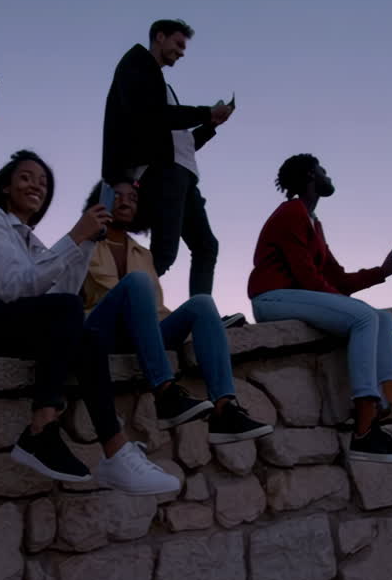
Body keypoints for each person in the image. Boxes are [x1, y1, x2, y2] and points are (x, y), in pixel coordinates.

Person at [0, 151, 179, 495]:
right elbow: (15, 288)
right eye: (26, 177)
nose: (36, 186)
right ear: (6, 187)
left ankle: (116, 452)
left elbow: (61, 297)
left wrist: (84, 245)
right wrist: (73, 237)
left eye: (43, 183)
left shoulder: (32, 244)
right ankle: (41, 429)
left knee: (89, 335)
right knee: (67, 311)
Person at [247, 154, 392, 463]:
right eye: (323, 170)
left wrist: (383, 271)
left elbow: (335, 278)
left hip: (295, 294)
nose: (328, 174)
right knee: (364, 316)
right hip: (272, 298)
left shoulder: (313, 223)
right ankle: (365, 425)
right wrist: (350, 305)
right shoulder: (290, 214)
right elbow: (307, 278)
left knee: (382, 318)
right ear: (311, 175)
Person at [81, 180, 274, 444]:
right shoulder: (83, 242)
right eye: (117, 196)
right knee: (138, 282)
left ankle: (224, 411)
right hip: (104, 332)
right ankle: (165, 395)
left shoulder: (143, 254)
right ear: (101, 199)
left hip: (144, 332)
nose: (125, 201)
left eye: (133, 198)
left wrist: (210, 329)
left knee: (203, 303)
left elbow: (157, 310)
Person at [101, 19, 235, 299]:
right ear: (159, 37)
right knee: (165, 252)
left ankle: (201, 313)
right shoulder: (137, 64)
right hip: (164, 173)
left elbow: (180, 143)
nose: (182, 52)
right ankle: (115, 302)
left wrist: (210, 125)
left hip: (182, 173)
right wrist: (205, 111)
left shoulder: (163, 85)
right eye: (178, 44)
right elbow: (153, 117)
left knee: (206, 246)